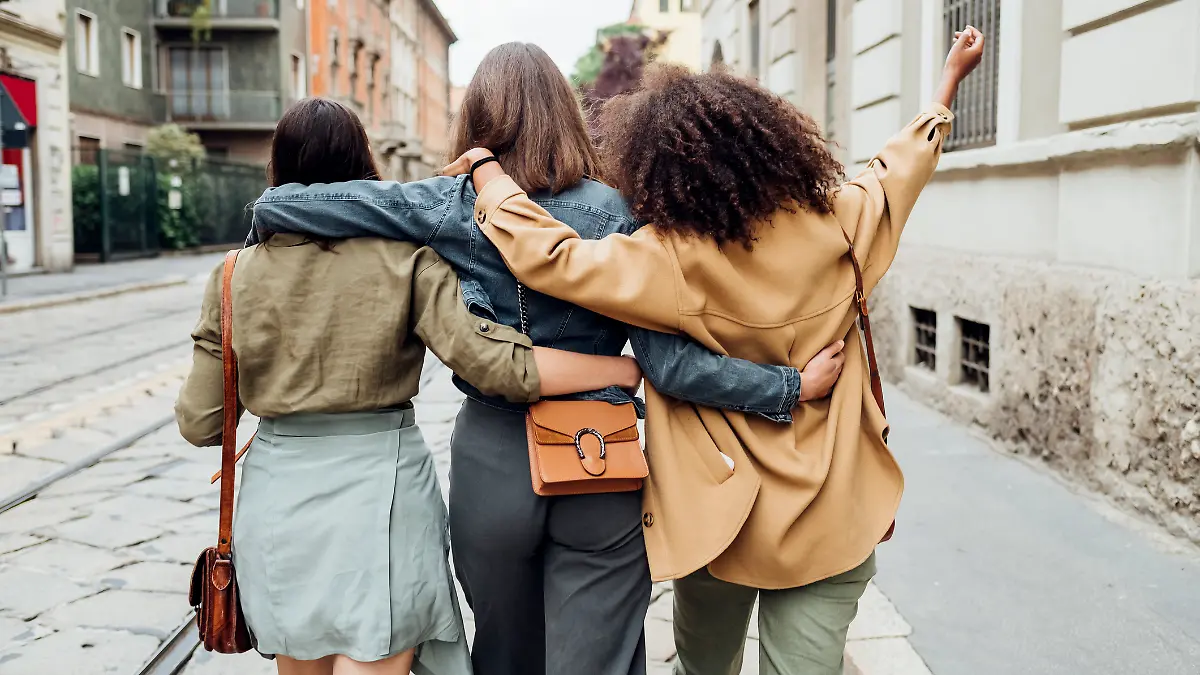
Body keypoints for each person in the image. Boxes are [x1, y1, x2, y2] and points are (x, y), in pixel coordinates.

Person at [247, 43, 847, 675]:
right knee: (600, 658)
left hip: (492, 457)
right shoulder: (621, 214)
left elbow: (295, 204)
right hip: (601, 455)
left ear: (476, 120)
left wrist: (266, 213)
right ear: (567, 114)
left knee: (505, 652)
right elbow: (671, 366)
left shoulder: (447, 204)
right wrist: (788, 387)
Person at [439, 27, 986, 675]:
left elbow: (552, 257)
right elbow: (898, 169)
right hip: (831, 514)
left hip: (718, 522)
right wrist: (945, 87)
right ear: (774, 145)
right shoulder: (843, 223)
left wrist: (490, 175)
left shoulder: (666, 257)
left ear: (661, 169)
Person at [175, 98, 661, 675]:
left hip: (281, 500)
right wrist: (620, 370)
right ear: (365, 166)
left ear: (277, 169)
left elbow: (200, 421)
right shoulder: (407, 260)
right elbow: (493, 365)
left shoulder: (233, 273)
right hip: (382, 489)